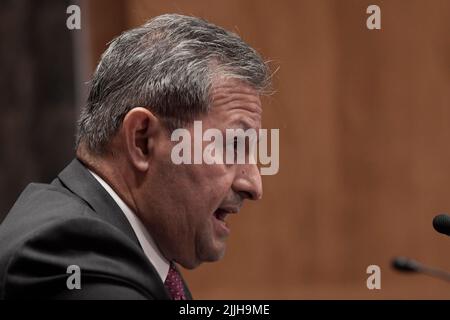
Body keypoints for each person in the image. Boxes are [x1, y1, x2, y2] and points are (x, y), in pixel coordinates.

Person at [0, 13, 270, 299]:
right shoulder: (65, 250)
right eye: (232, 146)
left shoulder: (133, 254)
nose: (254, 184)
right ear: (142, 140)